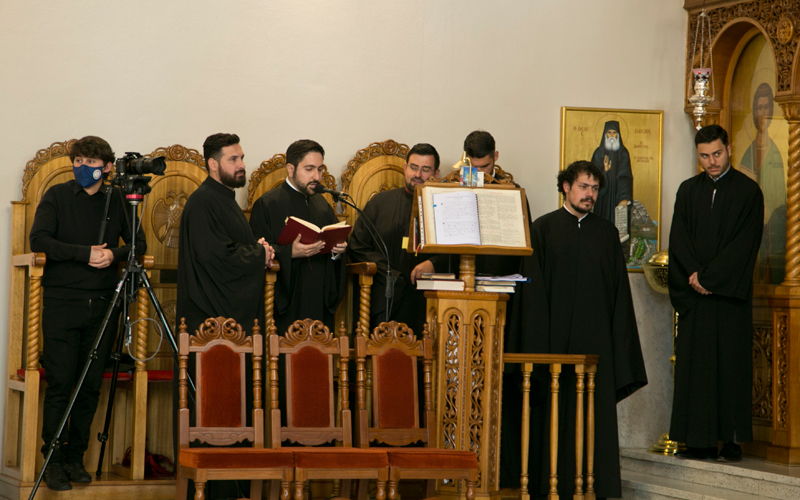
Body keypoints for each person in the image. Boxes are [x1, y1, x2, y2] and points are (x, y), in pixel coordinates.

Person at [504, 160, 647, 498]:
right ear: (566, 187)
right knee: (550, 417)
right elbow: (532, 297)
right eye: (584, 187)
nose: (590, 194)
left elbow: (618, 298)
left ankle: (594, 487)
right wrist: (539, 349)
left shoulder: (607, 234)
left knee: (592, 417)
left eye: (595, 188)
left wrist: (616, 349)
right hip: (550, 347)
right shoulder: (542, 229)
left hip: (595, 347)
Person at [30, 136, 147, 491]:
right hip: (63, 302)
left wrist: (114, 254)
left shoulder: (117, 199)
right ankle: (51, 459)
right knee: (62, 382)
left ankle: (74, 458)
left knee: (89, 385)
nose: (83, 167)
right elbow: (40, 240)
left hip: (103, 304)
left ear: (108, 167)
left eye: (91, 162)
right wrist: (85, 253)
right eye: (78, 160)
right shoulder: (58, 196)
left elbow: (139, 243)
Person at [176, 133, 272, 500]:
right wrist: (258, 255)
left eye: (242, 157)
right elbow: (216, 259)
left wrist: (255, 250)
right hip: (208, 325)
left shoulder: (226, 202)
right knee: (211, 407)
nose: (241, 165)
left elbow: (232, 250)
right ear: (213, 164)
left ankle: (231, 485)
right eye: (233, 159)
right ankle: (212, 488)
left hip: (230, 328)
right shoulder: (203, 203)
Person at [669, 124, 764, 462]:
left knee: (730, 369)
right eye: (705, 156)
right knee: (696, 370)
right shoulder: (687, 191)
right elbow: (679, 238)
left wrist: (710, 278)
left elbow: (744, 245)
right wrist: (694, 278)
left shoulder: (748, 192)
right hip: (697, 300)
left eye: (717, 154)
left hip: (728, 301)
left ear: (729, 149)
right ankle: (698, 441)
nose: (711, 162)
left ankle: (732, 440)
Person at [348, 143, 449, 334]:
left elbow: (458, 252)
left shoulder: (446, 206)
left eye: (425, 169)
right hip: (384, 293)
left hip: (426, 299)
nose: (418, 174)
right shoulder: (380, 203)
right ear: (405, 168)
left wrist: (434, 263)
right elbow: (357, 245)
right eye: (413, 167)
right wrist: (388, 271)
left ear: (436, 172)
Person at [249, 139, 346, 335]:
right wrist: (289, 252)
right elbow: (255, 252)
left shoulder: (322, 204)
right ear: (291, 169)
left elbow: (336, 244)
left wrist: (338, 251)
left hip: (319, 295)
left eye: (320, 169)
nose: (316, 176)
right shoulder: (268, 204)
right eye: (309, 169)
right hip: (288, 300)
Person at [741, 83, 786, 284]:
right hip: (754, 227)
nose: (763, 113)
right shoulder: (749, 154)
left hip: (778, 227)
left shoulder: (779, 151)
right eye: (759, 107)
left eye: (767, 107)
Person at [590, 121, 633, 238]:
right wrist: (605, 171)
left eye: (614, 133)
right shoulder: (598, 153)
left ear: (618, 135)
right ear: (605, 134)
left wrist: (624, 197)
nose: (612, 135)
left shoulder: (623, 153)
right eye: (609, 132)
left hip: (617, 197)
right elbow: (592, 178)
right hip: (602, 198)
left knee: (617, 233)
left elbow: (626, 176)